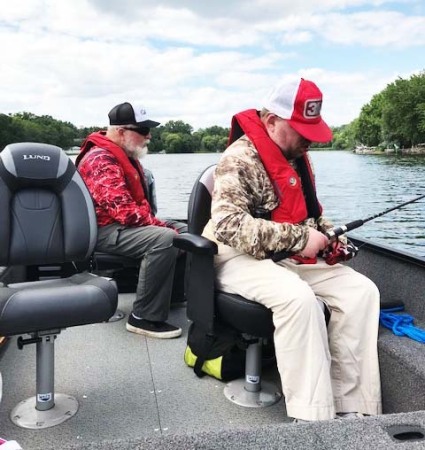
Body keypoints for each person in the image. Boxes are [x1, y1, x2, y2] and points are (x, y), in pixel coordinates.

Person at [202, 78, 382, 422]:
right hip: (235, 255)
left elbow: (311, 215)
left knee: (362, 291)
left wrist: (329, 238)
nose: (309, 140)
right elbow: (228, 226)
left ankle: (352, 407)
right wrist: (300, 240)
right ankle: (311, 417)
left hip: (283, 255)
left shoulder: (296, 155)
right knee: (298, 299)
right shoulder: (238, 158)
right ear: (271, 122)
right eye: (301, 130)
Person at [76, 102, 186, 339]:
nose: (149, 136)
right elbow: (124, 212)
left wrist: (164, 225)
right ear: (121, 131)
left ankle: (171, 297)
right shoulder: (100, 160)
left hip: (123, 227)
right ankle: (144, 317)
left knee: (188, 231)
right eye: (143, 131)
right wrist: (162, 226)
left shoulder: (123, 155)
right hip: (104, 231)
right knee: (166, 238)